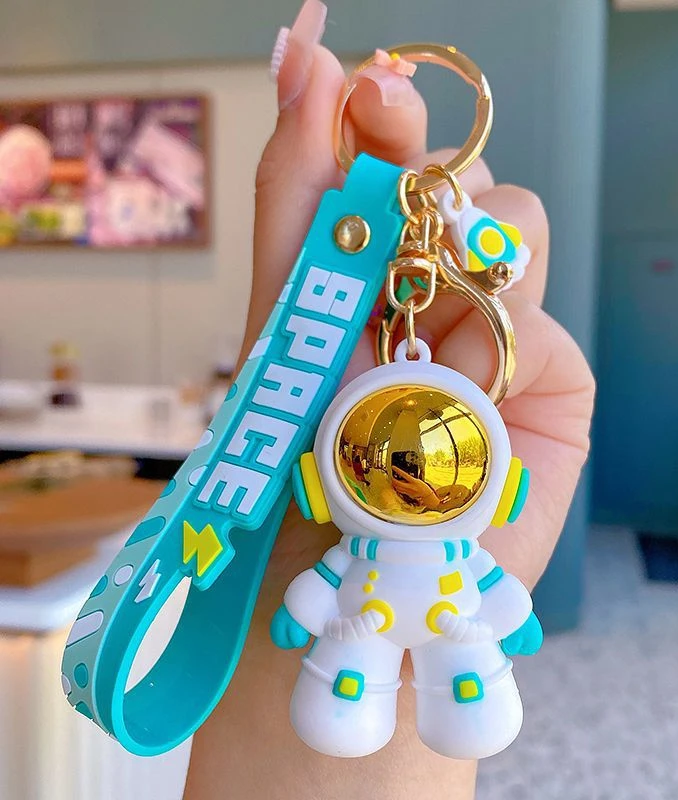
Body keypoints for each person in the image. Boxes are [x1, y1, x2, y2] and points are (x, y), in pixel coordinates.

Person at [182, 2, 594, 798]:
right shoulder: (365, 533)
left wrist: (509, 615)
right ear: (321, 483)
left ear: (497, 486)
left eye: (430, 463)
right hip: (368, 621)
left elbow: (493, 590)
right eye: (393, 464)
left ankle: (447, 693)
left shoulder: (455, 546)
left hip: (411, 617)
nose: (411, 476)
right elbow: (330, 583)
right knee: (347, 690)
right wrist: (290, 613)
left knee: (453, 681)